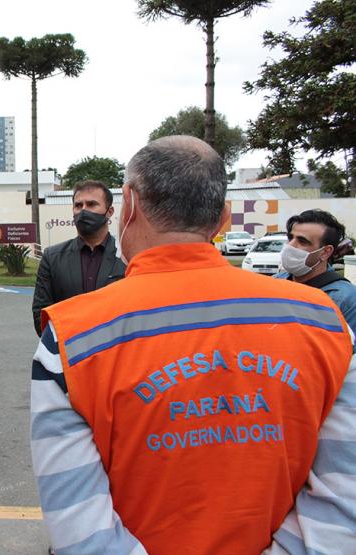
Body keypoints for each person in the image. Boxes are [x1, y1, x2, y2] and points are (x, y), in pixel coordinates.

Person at [30, 136, 356, 554]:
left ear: (127, 206)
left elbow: (80, 527)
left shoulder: (70, 336)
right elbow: (343, 503)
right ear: (222, 217)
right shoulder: (327, 324)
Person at [31, 180, 125, 335]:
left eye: (92, 204)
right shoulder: (52, 257)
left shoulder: (126, 257)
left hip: (115, 352)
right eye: (78, 205)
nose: (83, 211)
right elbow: (41, 314)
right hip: (67, 353)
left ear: (110, 211)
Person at [274, 209, 356, 331]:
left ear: (325, 252)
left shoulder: (345, 298)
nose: (290, 246)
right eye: (290, 237)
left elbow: (347, 348)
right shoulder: (275, 282)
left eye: (302, 241)